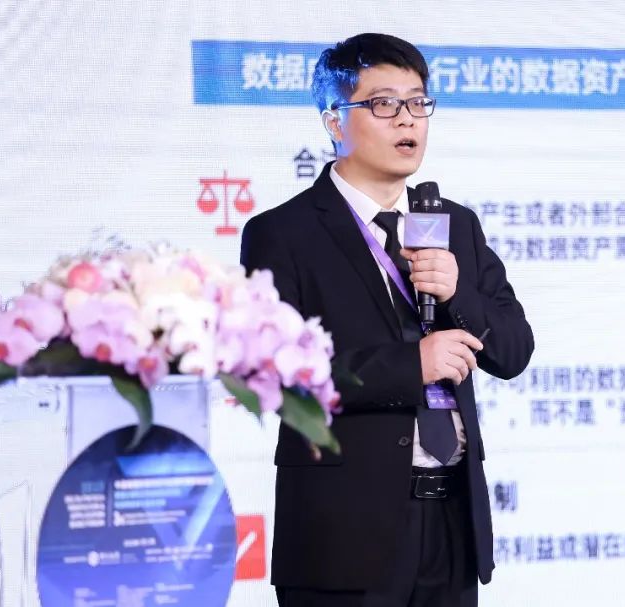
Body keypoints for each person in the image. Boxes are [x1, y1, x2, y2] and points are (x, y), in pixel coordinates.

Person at [240, 33, 534, 606]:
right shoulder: (283, 233)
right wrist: (410, 366)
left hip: (452, 524)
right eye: (383, 103)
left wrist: (457, 293)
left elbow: (514, 349)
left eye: (418, 102)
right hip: (342, 535)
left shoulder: (455, 224)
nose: (407, 119)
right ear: (334, 121)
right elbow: (277, 378)